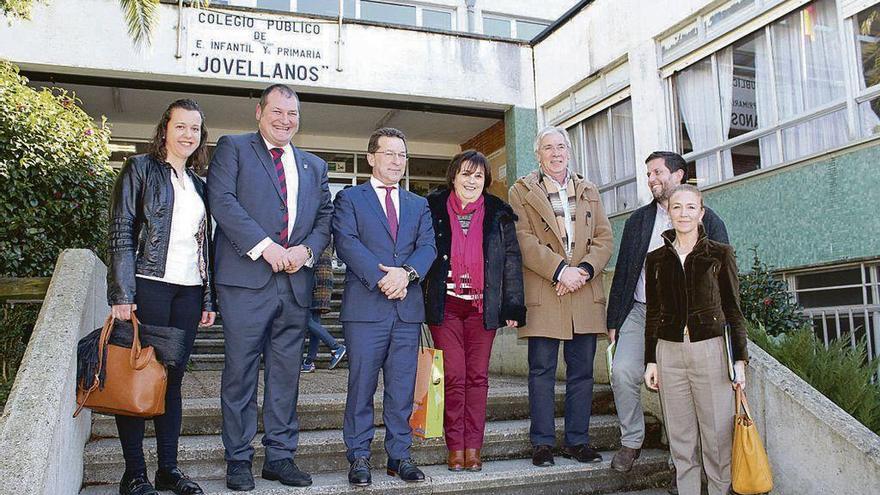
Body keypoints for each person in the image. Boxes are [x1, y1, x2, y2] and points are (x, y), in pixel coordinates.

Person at [207, 84, 332, 491]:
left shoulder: (314, 165)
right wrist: (267, 248)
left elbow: (325, 217)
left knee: (285, 375)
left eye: (292, 113)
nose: (284, 120)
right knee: (240, 373)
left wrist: (306, 251)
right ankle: (238, 459)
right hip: (246, 282)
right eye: (276, 111)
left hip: (294, 284)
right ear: (259, 113)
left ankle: (280, 456)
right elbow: (222, 200)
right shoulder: (234, 148)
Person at [107, 98, 215, 495]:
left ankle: (168, 469)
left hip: (187, 290)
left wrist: (208, 298)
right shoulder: (139, 169)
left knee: (172, 381)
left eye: (195, 129)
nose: (188, 134)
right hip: (146, 284)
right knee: (137, 373)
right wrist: (121, 291)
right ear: (164, 129)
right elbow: (120, 230)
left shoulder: (199, 185)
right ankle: (134, 473)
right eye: (181, 126)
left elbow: (204, 246)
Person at [606, 151, 729, 473]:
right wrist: (614, 319)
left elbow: (721, 275)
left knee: (678, 384)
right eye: (648, 174)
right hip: (640, 311)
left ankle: (682, 457)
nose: (651, 179)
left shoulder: (709, 220)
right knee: (622, 372)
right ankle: (631, 440)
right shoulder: (638, 221)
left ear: (679, 175)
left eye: (657, 172)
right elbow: (623, 272)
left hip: (684, 320)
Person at [332, 127, 436, 487]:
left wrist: (406, 275)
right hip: (365, 309)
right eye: (389, 154)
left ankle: (399, 455)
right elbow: (346, 242)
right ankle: (359, 456)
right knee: (361, 386)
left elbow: (428, 248)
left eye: (402, 155)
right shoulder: (350, 198)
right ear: (372, 158)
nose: (397, 161)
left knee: (402, 387)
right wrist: (382, 279)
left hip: (406, 311)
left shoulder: (418, 204)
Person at [508, 125, 613, 468]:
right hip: (545, 289)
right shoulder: (520, 191)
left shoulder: (589, 189)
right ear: (537, 155)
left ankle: (578, 441)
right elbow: (522, 239)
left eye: (560, 147)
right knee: (541, 371)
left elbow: (604, 239)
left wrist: (581, 271)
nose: (555, 153)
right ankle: (542, 444)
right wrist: (559, 271)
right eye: (548, 148)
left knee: (581, 372)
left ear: (569, 152)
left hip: (583, 290)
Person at [424, 150, 526, 472]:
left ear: (485, 182)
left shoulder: (498, 214)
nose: (472, 181)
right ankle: (455, 447)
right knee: (454, 376)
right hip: (447, 307)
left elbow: (511, 260)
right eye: (466, 174)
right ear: (453, 176)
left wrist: (511, 305)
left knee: (478, 378)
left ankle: (474, 448)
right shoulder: (433, 210)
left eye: (478, 176)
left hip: (483, 308)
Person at [643, 184, 747, 495]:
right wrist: (651, 359)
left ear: (701, 213)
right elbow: (653, 312)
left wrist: (739, 360)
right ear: (669, 213)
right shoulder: (656, 259)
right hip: (669, 354)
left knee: (717, 436)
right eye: (677, 207)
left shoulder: (720, 253)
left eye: (691, 207)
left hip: (710, 351)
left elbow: (733, 309)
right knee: (681, 438)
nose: (683, 213)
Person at [301, 242, 347, 373]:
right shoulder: (326, 236)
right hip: (325, 279)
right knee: (315, 321)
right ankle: (309, 362)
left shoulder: (314, 234)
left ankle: (335, 346)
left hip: (314, 279)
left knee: (303, 318)